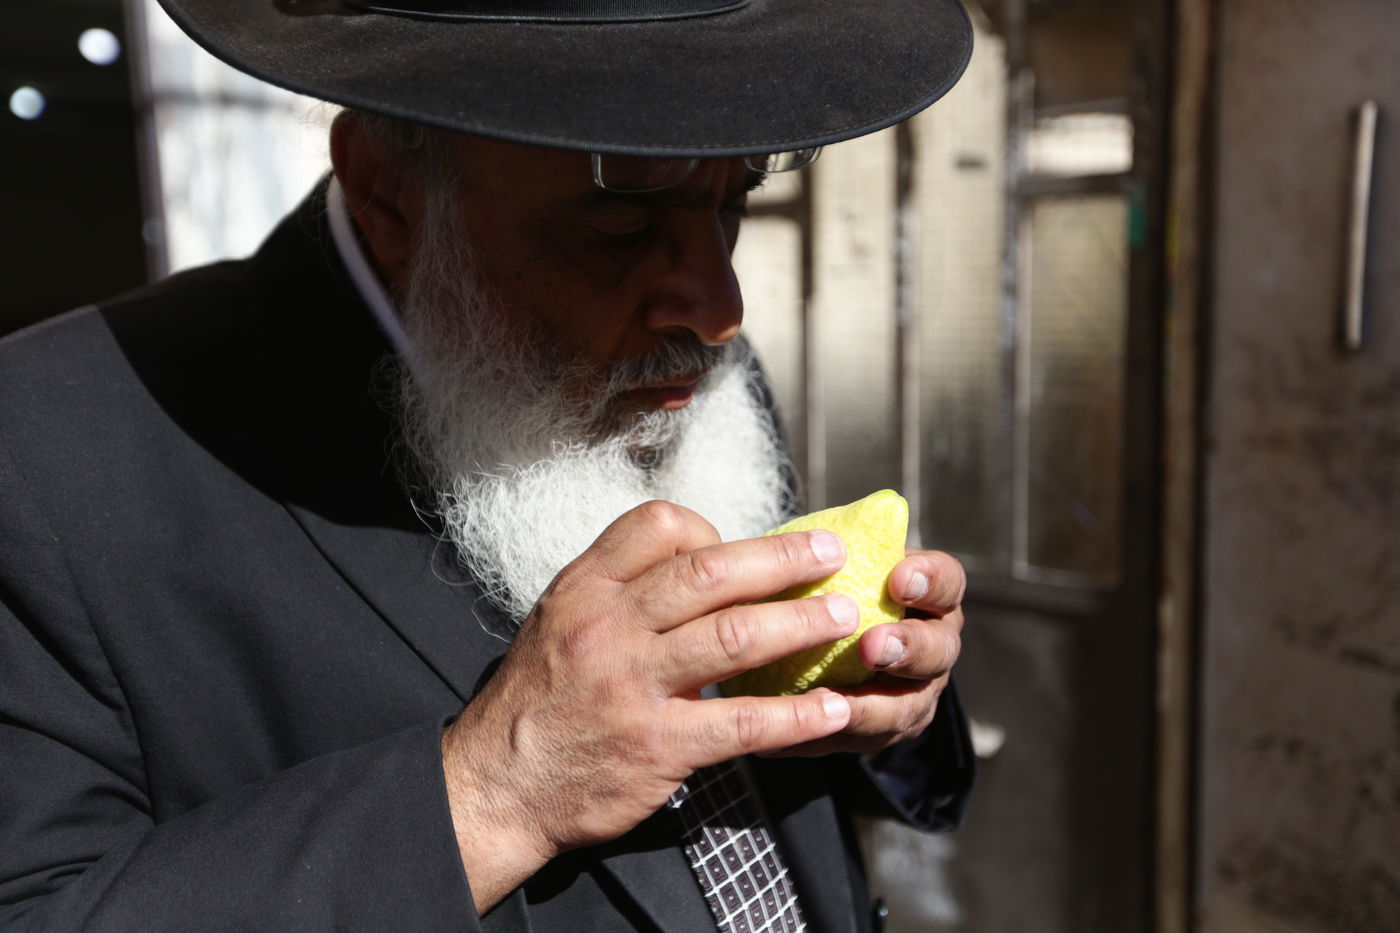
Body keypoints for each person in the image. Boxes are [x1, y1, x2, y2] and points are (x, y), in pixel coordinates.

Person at [0, 0, 977, 929]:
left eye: (733, 205)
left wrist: (867, 709)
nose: (720, 312)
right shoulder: (44, 454)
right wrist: (496, 791)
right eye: (620, 224)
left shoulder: (672, 351)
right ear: (387, 191)